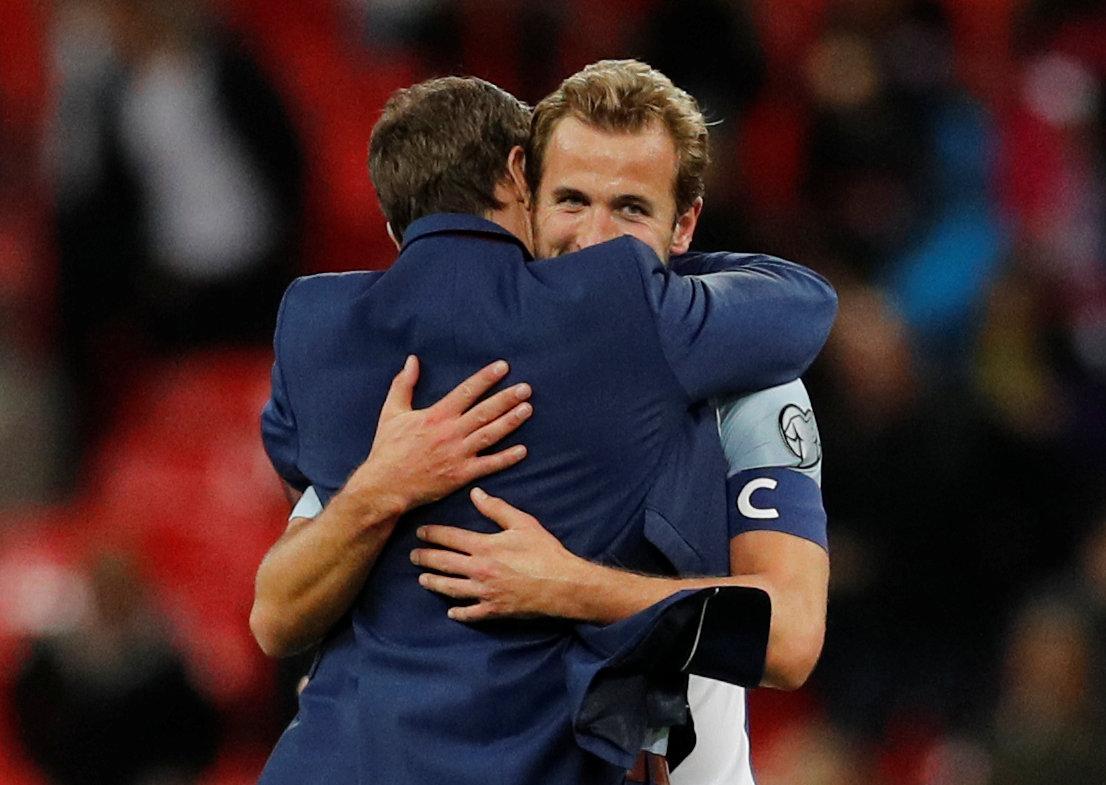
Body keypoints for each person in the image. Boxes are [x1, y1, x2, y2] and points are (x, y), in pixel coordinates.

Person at [253, 74, 835, 785]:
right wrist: (380, 486)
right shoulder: (430, 391)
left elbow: (790, 634)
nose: (594, 239)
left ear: (683, 225)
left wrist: (573, 585)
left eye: (630, 209)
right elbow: (278, 609)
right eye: (571, 201)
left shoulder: (748, 382)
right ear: (525, 192)